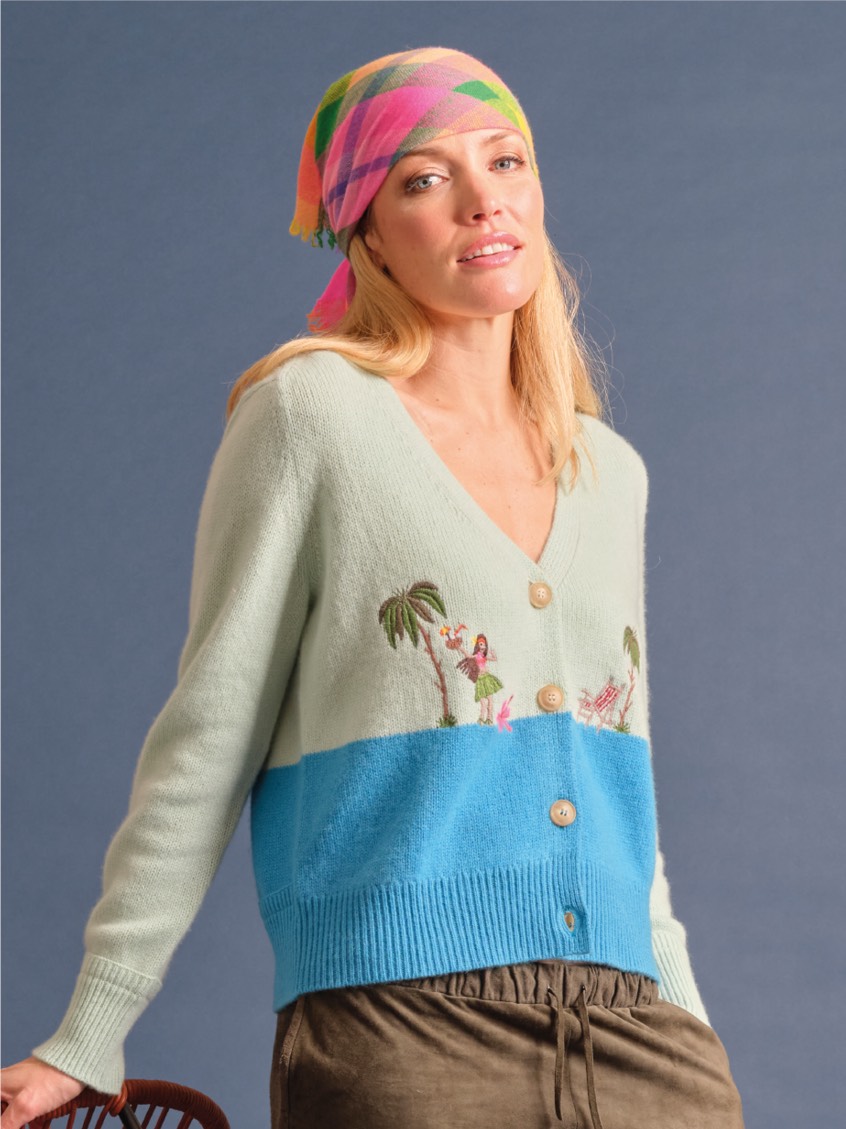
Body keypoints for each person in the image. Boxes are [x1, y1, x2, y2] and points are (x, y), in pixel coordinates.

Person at [1, 47, 745, 1129]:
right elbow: (211, 733)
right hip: (405, 1035)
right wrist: (92, 1024)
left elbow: (619, 783)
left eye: (506, 160)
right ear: (369, 233)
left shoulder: (608, 470)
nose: (483, 199)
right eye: (425, 178)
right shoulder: (312, 415)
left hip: (642, 1042)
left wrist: (688, 1024)